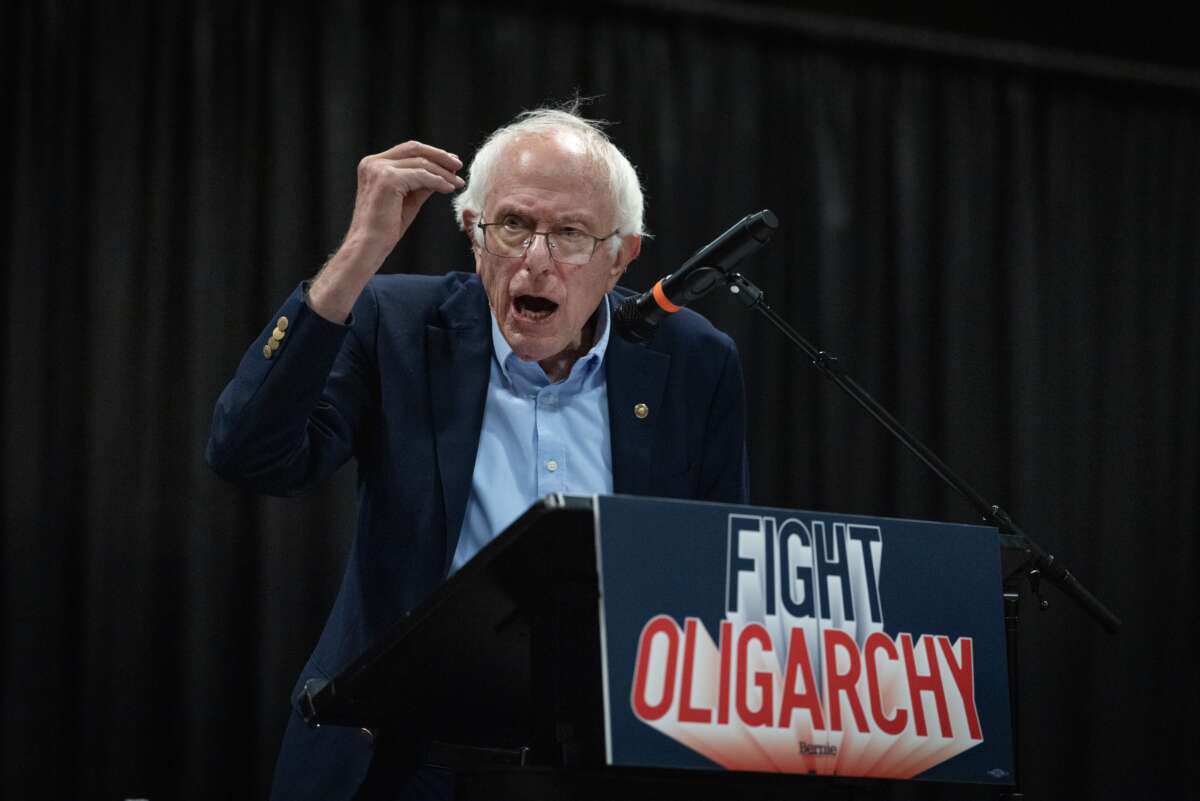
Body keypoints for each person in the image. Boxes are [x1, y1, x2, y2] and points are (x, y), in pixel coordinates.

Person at [206, 105, 749, 801]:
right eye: (514, 225)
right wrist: (355, 259)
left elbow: (717, 574)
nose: (537, 259)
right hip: (404, 760)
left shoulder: (693, 363)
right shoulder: (395, 324)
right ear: (473, 234)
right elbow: (249, 454)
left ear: (622, 257)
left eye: (572, 234)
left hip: (600, 766)